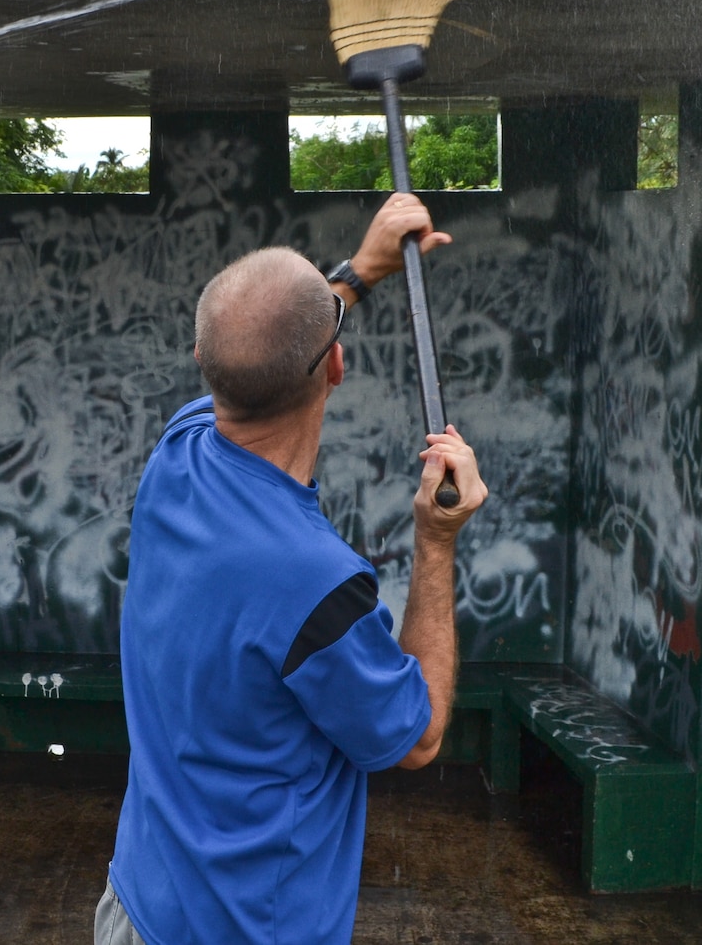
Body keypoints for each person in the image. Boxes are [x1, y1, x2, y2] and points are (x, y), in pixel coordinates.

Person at [99, 193, 490, 945]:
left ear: (201, 367)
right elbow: (416, 737)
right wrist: (436, 539)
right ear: (337, 366)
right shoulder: (320, 587)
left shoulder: (176, 455)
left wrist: (358, 273)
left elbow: (264, 355)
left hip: (136, 909)